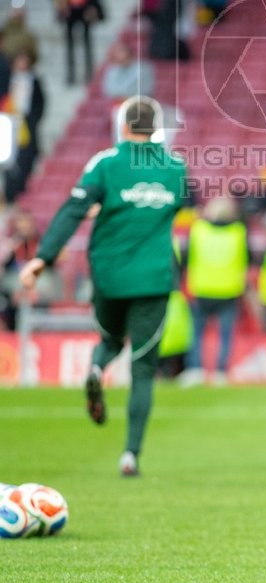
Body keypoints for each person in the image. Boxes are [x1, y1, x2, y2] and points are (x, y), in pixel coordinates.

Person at [18, 97, 188, 476]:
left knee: (110, 341)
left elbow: (72, 210)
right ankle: (130, 455)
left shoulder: (106, 164)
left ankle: (96, 369)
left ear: (124, 126)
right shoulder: (175, 168)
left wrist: (41, 259)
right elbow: (175, 206)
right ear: (156, 129)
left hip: (109, 277)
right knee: (143, 367)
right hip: (153, 279)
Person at [178, 195, 249, 388]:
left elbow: (184, 259)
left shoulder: (198, 230)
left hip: (202, 288)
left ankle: (195, 369)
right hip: (229, 290)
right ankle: (220, 372)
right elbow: (247, 259)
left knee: (196, 332)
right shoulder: (238, 232)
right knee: (225, 334)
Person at [3, 48, 44, 203]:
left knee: (27, 155)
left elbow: (40, 103)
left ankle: (23, 189)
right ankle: (9, 194)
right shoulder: (7, 79)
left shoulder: (34, 80)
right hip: (8, 122)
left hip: (26, 124)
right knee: (8, 160)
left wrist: (33, 119)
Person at [55, 0, 104, 85]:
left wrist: (92, 6)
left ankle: (89, 73)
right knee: (70, 46)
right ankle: (71, 74)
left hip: (85, 7)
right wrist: (61, 6)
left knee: (87, 44)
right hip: (69, 8)